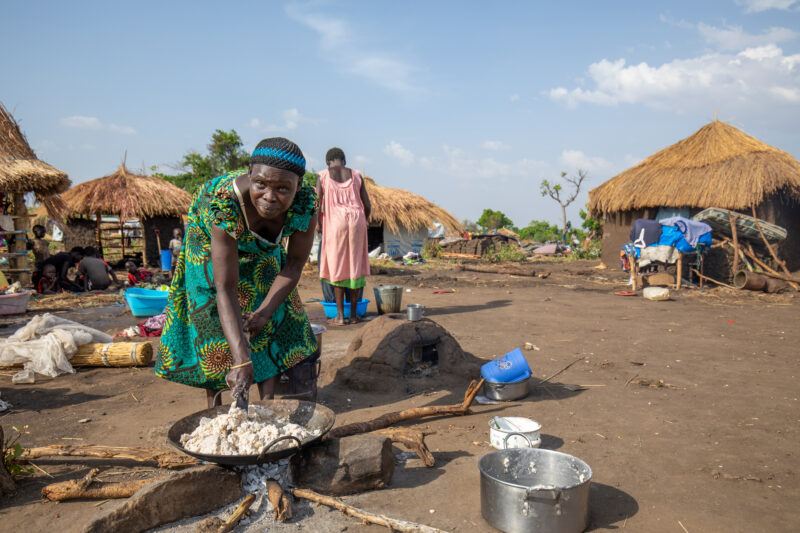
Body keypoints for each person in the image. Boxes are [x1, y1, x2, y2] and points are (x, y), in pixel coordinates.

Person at [154, 137, 318, 409]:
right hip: (209, 244)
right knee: (216, 328)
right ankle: (220, 411)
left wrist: (264, 313)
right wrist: (241, 359)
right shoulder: (222, 203)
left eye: (282, 188)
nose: (270, 196)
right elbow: (225, 288)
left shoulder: (305, 205)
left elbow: (293, 266)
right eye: (261, 184)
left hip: (262, 251)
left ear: (298, 187)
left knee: (271, 316)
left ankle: (268, 408)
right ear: (249, 172)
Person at [316, 147, 371, 325]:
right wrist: (364, 220)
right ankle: (354, 316)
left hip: (335, 223)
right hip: (357, 220)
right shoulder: (356, 175)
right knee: (355, 266)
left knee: (337, 266)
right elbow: (367, 205)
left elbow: (317, 203)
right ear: (344, 160)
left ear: (328, 162)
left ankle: (340, 316)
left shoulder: (323, 175)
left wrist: (318, 223)